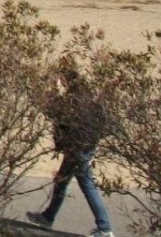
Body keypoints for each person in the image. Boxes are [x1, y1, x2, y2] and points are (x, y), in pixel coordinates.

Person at [26, 59, 115, 237]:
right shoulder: (86, 98)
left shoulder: (71, 102)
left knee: (87, 184)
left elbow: (50, 109)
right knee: (61, 180)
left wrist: (53, 90)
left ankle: (105, 229)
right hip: (84, 146)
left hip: (77, 149)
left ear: (65, 81)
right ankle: (48, 216)